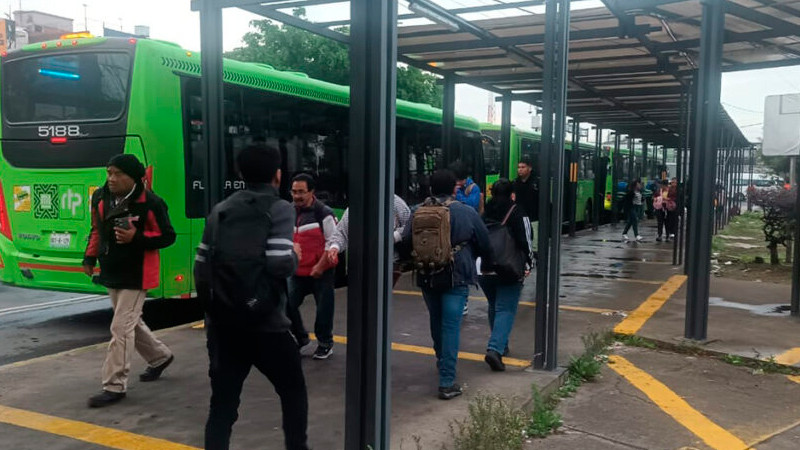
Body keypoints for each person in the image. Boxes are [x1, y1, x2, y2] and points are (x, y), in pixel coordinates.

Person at [195, 144, 309, 450]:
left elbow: (201, 267)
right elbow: (279, 263)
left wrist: (214, 314)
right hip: (267, 324)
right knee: (293, 391)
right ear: (277, 175)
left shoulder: (220, 210)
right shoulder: (280, 208)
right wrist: (295, 255)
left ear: (240, 173)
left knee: (222, 406)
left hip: (225, 327)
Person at [82, 154, 176, 408]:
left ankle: (114, 385)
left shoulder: (152, 203)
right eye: (108, 172)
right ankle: (160, 357)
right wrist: (89, 257)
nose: (111, 178)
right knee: (129, 324)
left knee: (120, 327)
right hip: (112, 269)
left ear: (133, 177)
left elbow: (168, 237)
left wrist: (137, 237)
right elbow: (96, 230)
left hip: (138, 273)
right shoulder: (100, 197)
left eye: (117, 174)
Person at [401, 169, 492, 400]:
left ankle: (442, 361)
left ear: (431, 189)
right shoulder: (465, 211)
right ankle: (447, 382)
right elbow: (484, 243)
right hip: (456, 274)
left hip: (427, 273)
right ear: (455, 188)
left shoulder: (417, 211)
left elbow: (405, 240)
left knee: (436, 319)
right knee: (451, 325)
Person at [478, 179, 532, 372]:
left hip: (484, 268)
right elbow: (526, 241)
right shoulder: (517, 212)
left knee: (494, 305)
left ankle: (501, 344)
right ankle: (495, 349)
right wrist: (529, 263)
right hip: (508, 267)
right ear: (512, 195)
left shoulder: (485, 213)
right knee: (506, 309)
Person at [286, 173, 338, 359]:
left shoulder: (323, 213)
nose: (297, 196)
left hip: (321, 271)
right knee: (286, 304)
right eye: (294, 191)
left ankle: (325, 343)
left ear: (311, 192)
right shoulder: (290, 211)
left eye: (301, 192)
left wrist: (320, 266)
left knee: (324, 308)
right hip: (296, 270)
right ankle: (301, 338)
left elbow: (333, 242)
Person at [324, 194, 411, 287]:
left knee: (379, 295)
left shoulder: (395, 203)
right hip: (361, 263)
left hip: (388, 263)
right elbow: (341, 232)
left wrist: (393, 237)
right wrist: (334, 247)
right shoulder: (356, 206)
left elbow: (410, 225)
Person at [512, 157, 538, 256]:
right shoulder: (514, 183)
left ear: (529, 168)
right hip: (520, 217)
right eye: (519, 167)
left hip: (534, 217)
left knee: (534, 243)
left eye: (523, 167)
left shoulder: (536, 183)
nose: (520, 169)